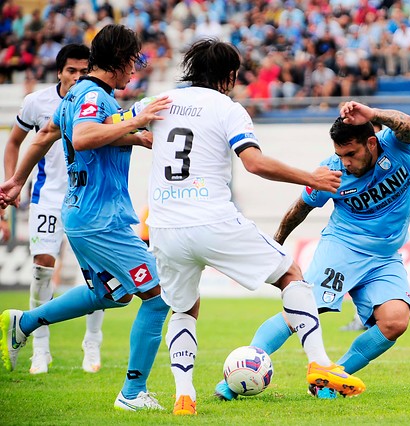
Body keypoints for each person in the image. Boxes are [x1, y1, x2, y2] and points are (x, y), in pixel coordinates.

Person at [126, 39, 365, 416]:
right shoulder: (227, 108)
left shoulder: (158, 102)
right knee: (290, 274)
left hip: (164, 227)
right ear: (230, 76)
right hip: (212, 219)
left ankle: (183, 396)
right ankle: (320, 363)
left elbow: (117, 128)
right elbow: (253, 162)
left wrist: (141, 134)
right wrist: (311, 177)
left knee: (184, 310)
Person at [0, 24, 172, 412]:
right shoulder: (93, 95)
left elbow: (45, 136)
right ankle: (132, 394)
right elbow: (82, 138)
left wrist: (15, 181)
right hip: (100, 218)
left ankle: (23, 323)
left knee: (111, 293)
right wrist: (135, 120)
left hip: (82, 214)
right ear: (121, 59)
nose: (136, 70)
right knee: (159, 297)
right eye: (134, 61)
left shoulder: (76, 94)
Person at [215, 100, 410, 400]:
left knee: (395, 321)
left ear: (372, 142)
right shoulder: (332, 172)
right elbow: (300, 208)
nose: (345, 161)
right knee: (302, 310)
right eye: (340, 155)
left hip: (385, 257)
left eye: (351, 154)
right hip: (343, 247)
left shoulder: (398, 148)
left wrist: (373, 114)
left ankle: (331, 378)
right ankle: (239, 375)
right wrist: (277, 241)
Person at [2, 43, 109, 375]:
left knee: (97, 273)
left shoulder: (96, 101)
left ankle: (92, 343)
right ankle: (40, 349)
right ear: (60, 71)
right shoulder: (38, 103)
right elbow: (15, 142)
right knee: (42, 268)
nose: (77, 77)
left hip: (87, 197)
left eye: (83, 71)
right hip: (47, 197)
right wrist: (12, 180)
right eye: (71, 70)